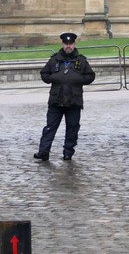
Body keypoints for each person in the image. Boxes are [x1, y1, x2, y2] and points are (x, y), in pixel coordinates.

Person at [34, 32, 96, 161]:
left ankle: (68, 153)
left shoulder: (81, 60)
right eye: (66, 44)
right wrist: (53, 78)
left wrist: (78, 79)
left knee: (72, 128)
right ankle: (43, 152)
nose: (68, 46)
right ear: (62, 44)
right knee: (50, 127)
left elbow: (90, 76)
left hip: (74, 100)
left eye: (71, 44)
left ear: (74, 44)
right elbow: (44, 74)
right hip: (56, 100)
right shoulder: (55, 59)